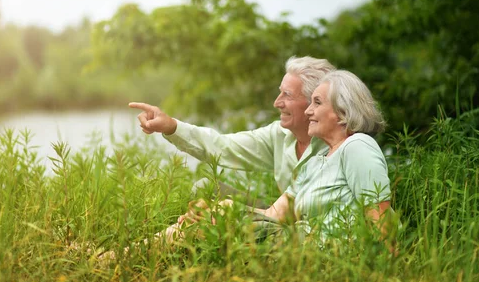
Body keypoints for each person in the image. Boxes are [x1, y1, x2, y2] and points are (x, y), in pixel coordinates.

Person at [102, 69, 394, 262]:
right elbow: (275, 215)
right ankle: (117, 258)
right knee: (211, 212)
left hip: (325, 252)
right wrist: (213, 213)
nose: (308, 111)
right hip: (296, 243)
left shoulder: (358, 148)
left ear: (342, 113)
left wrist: (382, 274)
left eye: (316, 103)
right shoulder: (317, 161)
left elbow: (381, 222)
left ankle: (116, 259)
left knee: (221, 212)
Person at [129, 56, 336, 205]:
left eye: (287, 95)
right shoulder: (279, 135)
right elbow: (223, 147)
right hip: (280, 218)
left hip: (309, 232)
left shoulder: (340, 143)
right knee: (205, 187)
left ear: (315, 101)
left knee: (224, 211)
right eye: (278, 93)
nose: (276, 103)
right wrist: (171, 126)